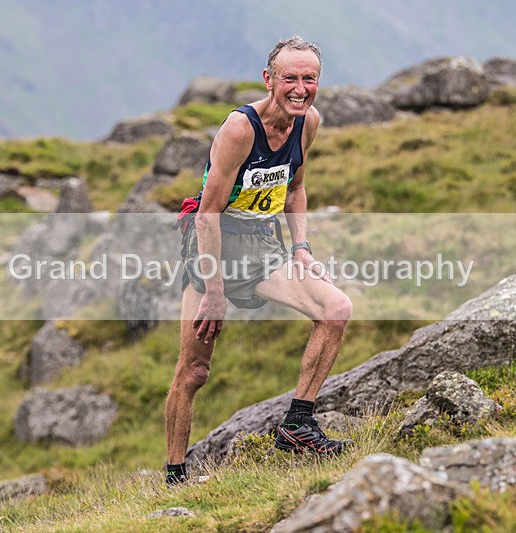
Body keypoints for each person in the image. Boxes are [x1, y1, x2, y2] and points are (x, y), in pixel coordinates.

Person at [164, 36, 353, 485]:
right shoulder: (239, 129)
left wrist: (302, 248)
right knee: (194, 371)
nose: (300, 88)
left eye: (310, 79)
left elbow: (295, 188)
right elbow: (208, 214)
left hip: (263, 245)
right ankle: (175, 475)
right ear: (269, 80)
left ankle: (297, 425)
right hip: (214, 247)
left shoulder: (308, 123)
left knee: (336, 309)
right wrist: (214, 292)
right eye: (290, 78)